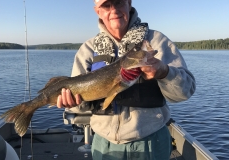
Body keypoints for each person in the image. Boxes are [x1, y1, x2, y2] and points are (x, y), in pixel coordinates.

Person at [57, 0, 196, 159]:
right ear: (98, 11)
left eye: (119, 2)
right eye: (106, 5)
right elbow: (79, 109)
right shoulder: (88, 50)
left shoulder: (156, 41)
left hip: (152, 142)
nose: (114, 10)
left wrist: (165, 72)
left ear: (129, 4)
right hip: (104, 144)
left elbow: (185, 91)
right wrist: (72, 104)